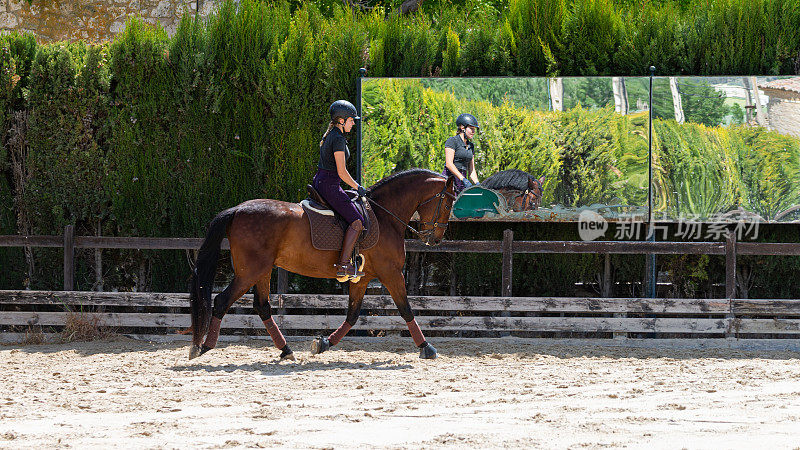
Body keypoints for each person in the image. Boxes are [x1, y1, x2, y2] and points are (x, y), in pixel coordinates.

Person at [312, 100, 368, 278]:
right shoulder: (337, 138)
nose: (353, 123)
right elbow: (342, 172)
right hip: (329, 185)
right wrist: (358, 187)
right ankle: (343, 266)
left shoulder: (332, 135)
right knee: (357, 222)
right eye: (352, 120)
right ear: (342, 121)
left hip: (321, 181)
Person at [443, 113, 481, 195]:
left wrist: (477, 183)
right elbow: (449, 164)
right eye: (471, 129)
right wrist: (463, 179)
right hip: (449, 180)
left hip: (462, 181)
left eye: (475, 129)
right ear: (462, 127)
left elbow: (471, 169)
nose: (474, 132)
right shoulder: (452, 141)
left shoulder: (471, 146)